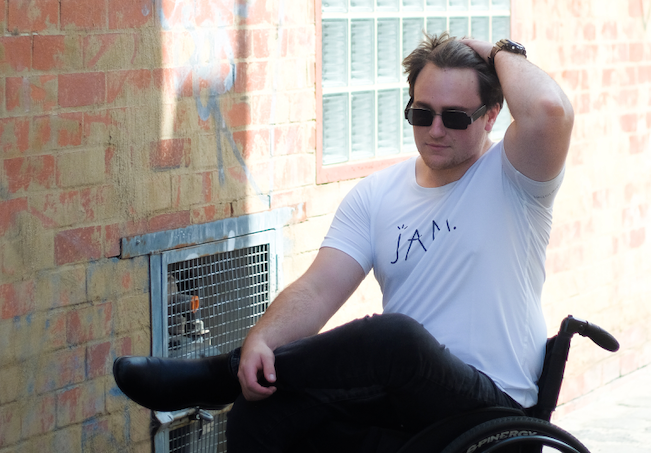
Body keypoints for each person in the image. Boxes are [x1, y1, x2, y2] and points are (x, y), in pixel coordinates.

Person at [113, 32, 573, 452]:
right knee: (262, 410)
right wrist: (261, 344)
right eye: (421, 113)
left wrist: (497, 52)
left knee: (394, 339)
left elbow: (550, 110)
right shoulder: (376, 195)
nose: (435, 129)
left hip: (493, 410)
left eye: (454, 118)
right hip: (403, 407)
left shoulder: (516, 178)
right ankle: (236, 373)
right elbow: (317, 290)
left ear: (491, 115)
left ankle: (218, 375)